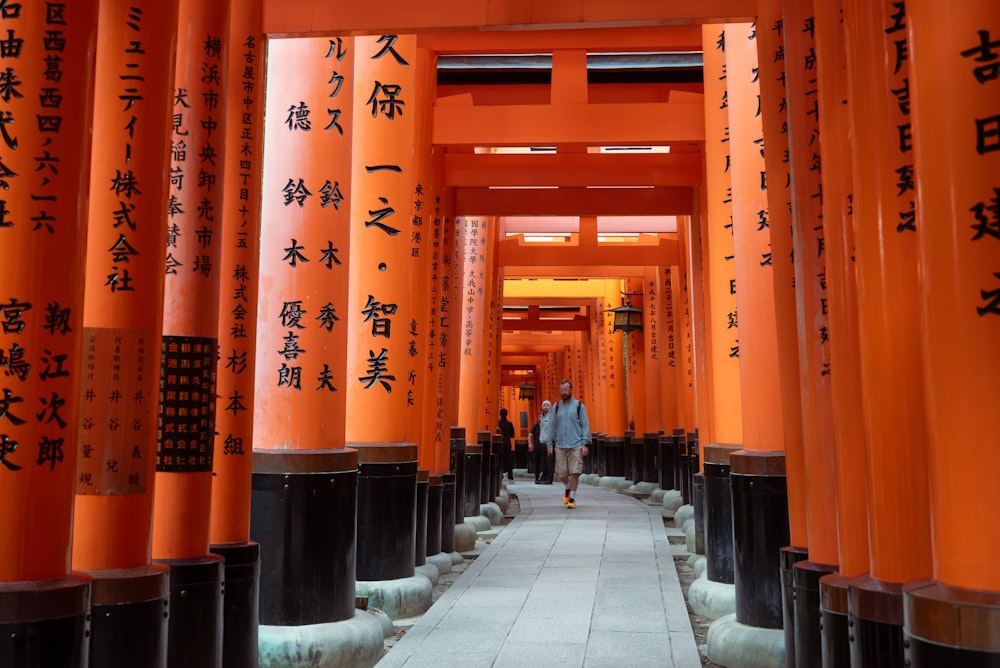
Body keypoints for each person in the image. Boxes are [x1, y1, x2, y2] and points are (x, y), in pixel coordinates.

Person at [550, 379, 590, 508]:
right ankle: (567, 488)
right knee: (561, 473)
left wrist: (585, 443)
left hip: (576, 444)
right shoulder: (556, 407)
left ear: (571, 390)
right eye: (562, 390)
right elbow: (551, 426)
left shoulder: (579, 406)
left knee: (574, 472)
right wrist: (549, 444)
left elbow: (585, 425)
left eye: (566, 390)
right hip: (560, 444)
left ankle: (572, 498)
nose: (564, 392)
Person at [536, 400, 554, 484]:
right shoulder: (542, 417)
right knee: (544, 461)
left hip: (548, 442)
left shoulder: (551, 417)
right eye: (544, 405)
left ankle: (549, 478)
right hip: (542, 442)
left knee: (549, 461)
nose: (545, 407)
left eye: (547, 405)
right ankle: (544, 477)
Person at [497, 407, 515, 481]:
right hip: (507, 443)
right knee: (509, 460)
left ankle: (499, 474)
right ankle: (510, 476)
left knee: (499, 459)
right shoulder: (509, 424)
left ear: (500, 414)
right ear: (506, 414)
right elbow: (512, 435)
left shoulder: (497, 423)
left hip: (499, 443)